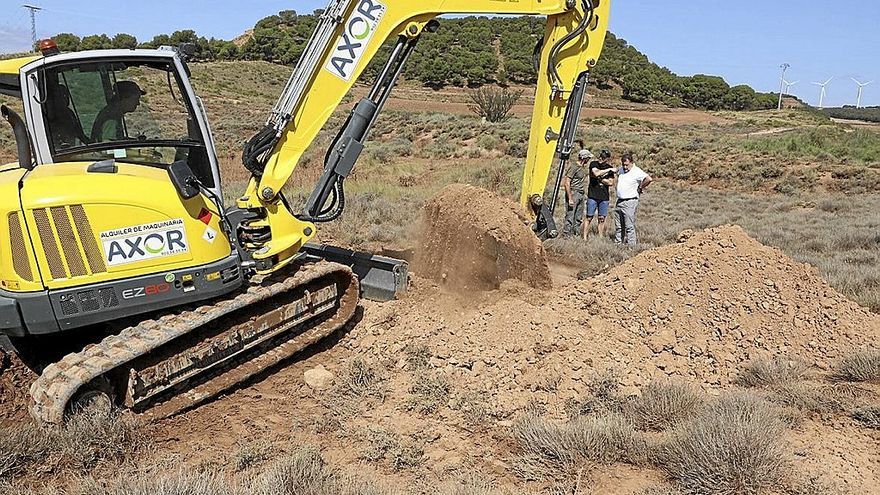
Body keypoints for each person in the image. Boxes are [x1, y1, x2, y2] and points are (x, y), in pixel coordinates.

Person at [614, 152, 653, 246]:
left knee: (629, 225)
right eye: (623, 165)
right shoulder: (622, 170)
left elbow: (648, 179)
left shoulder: (637, 171)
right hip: (619, 201)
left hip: (630, 201)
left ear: (631, 162)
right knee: (619, 226)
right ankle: (618, 244)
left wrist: (640, 187)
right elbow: (616, 172)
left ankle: (631, 246)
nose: (625, 167)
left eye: (627, 165)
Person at [583, 149, 615, 239]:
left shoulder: (609, 167)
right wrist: (608, 171)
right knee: (589, 217)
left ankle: (600, 236)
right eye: (601, 156)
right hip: (592, 195)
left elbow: (611, 182)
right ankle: (585, 237)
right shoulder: (594, 164)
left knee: (602, 218)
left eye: (604, 157)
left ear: (607, 159)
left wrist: (601, 179)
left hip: (604, 197)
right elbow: (596, 173)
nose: (601, 158)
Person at [562, 149, 592, 237]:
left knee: (578, 216)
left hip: (581, 193)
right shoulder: (574, 167)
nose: (588, 160)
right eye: (588, 158)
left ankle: (576, 234)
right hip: (574, 192)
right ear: (584, 158)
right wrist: (570, 198)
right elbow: (567, 182)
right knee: (570, 215)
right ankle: (567, 235)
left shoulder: (582, 168)